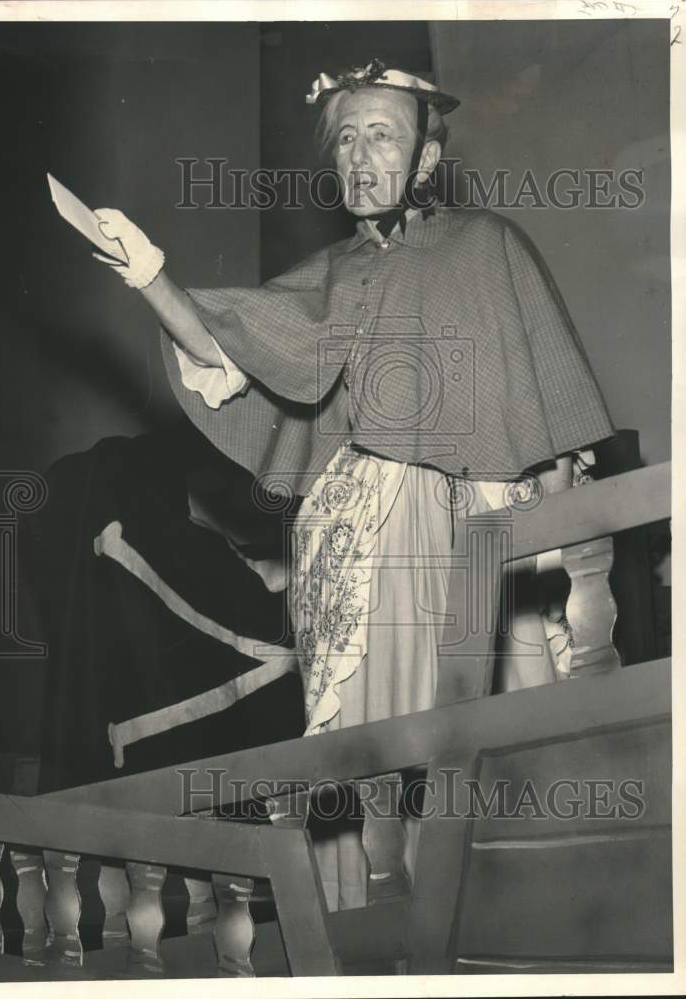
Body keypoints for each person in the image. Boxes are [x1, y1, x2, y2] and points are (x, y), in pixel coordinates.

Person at [91, 58, 615, 910]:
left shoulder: (488, 247)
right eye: (345, 138)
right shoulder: (328, 274)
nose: (360, 156)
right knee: (360, 753)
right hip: (348, 541)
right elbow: (225, 346)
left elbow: (550, 417)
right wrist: (148, 273)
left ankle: (486, 919)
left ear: (426, 158)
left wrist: (548, 530)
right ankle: (370, 931)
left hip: (467, 528)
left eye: (382, 135)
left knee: (461, 746)